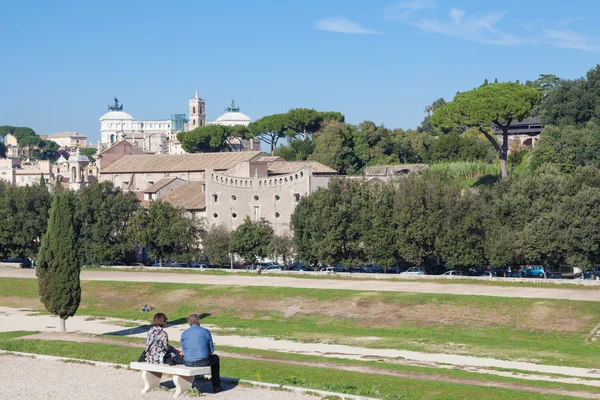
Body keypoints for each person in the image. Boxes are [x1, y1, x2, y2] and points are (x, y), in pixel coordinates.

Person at [181, 314, 222, 393]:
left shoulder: (184, 333)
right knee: (215, 358)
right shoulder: (205, 331)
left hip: (188, 362)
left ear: (189, 323)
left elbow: (184, 350)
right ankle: (216, 386)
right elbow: (211, 351)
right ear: (198, 321)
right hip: (202, 361)